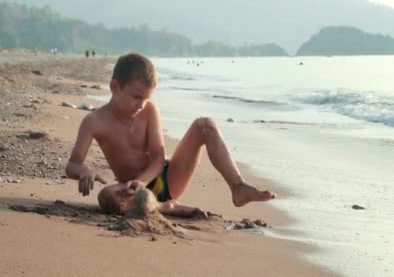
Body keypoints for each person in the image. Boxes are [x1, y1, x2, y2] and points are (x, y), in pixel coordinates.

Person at [65, 52, 276, 217]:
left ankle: (238, 187)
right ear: (114, 87)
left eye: (146, 98)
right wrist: (84, 171)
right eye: (136, 97)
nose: (141, 104)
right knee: (106, 196)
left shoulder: (149, 111)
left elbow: (158, 156)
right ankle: (165, 208)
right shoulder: (94, 121)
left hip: (163, 180)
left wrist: (142, 180)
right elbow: (72, 165)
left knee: (205, 124)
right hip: (131, 193)